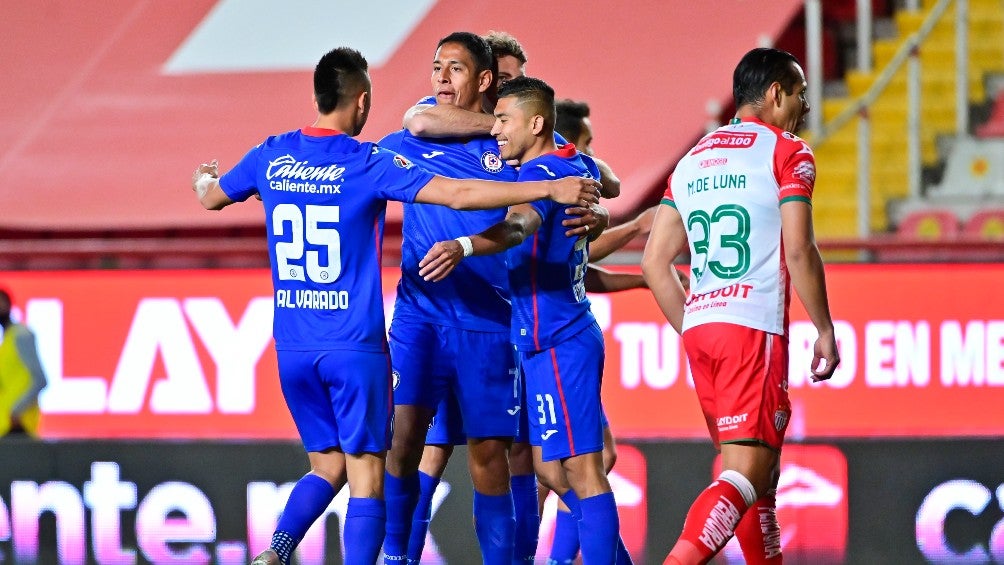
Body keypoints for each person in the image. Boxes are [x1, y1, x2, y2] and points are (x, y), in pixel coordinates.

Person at [188, 46, 600, 565]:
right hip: (393, 329)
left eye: (456, 69)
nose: (443, 79)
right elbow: (454, 185)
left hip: (440, 326)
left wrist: (204, 180)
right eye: (437, 68)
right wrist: (555, 188)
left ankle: (279, 549)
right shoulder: (384, 153)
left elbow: (595, 180)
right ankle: (391, 558)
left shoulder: (276, 153)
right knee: (388, 458)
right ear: (361, 101)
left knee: (465, 459)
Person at [640, 47, 840, 565]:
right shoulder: (787, 150)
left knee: (758, 479)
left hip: (703, 325)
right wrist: (824, 328)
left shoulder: (692, 158)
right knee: (745, 478)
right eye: (799, 93)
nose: (805, 106)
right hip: (752, 327)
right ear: (775, 93)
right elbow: (799, 248)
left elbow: (654, 264)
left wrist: (694, 324)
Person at [419, 75, 629, 565]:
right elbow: (608, 181)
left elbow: (518, 225)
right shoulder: (568, 166)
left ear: (536, 123)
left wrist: (464, 245)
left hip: (560, 340)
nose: (495, 130)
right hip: (541, 344)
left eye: (504, 120)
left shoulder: (541, 182)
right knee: (553, 473)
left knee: (584, 472)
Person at [0, 288, 47, 438]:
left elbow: (40, 379)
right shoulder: (7, 341)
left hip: (19, 425)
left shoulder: (21, 336)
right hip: (7, 425)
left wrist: (16, 410)